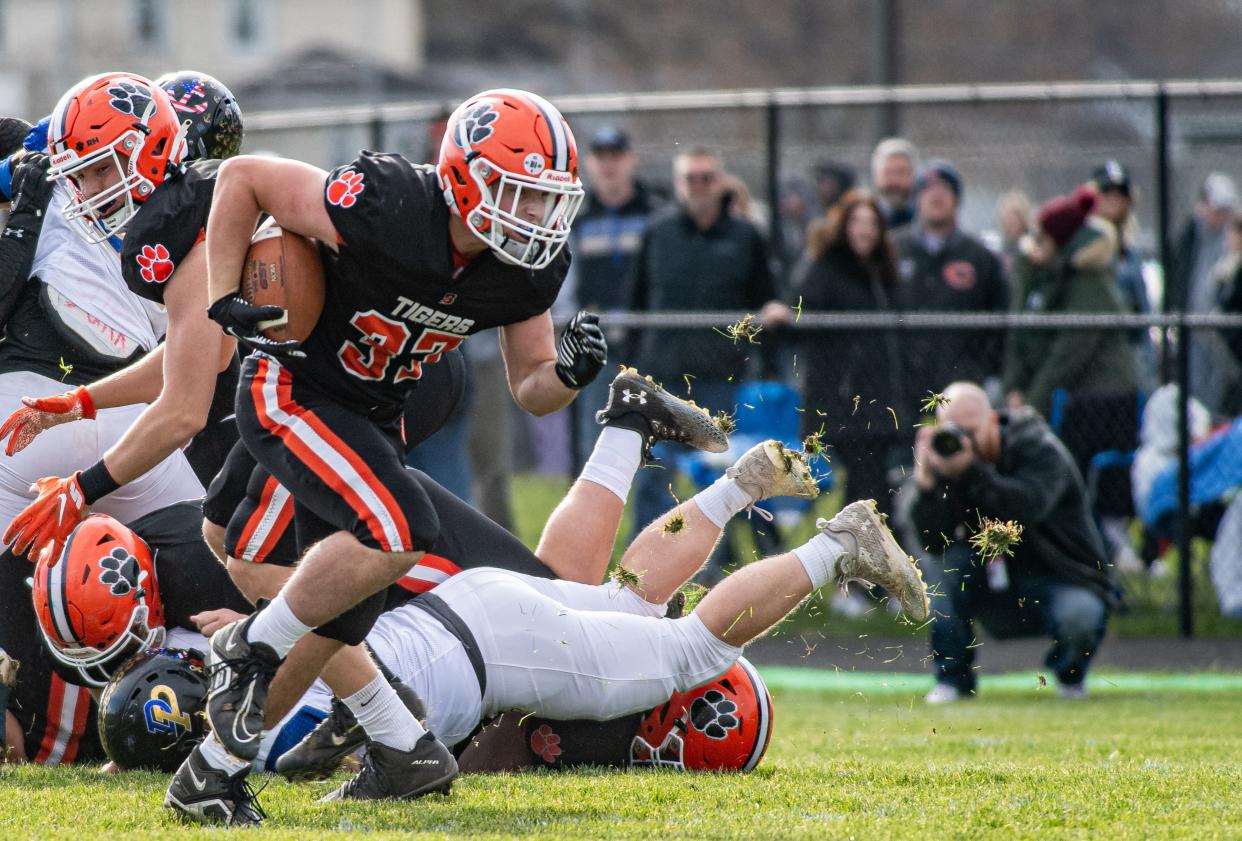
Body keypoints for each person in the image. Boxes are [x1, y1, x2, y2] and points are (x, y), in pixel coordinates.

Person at [168, 410, 926, 823]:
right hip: (478, 627)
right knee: (651, 620)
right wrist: (263, 617)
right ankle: (768, 510)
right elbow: (331, 642)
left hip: (484, 638)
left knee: (672, 637)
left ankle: (824, 537)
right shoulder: (266, 699)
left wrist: (357, 717)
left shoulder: (266, 723)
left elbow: (347, 659)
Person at [190, 88, 615, 804]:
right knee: (399, 528)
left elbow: (531, 386)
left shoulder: (527, 268)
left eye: (547, 199)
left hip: (371, 411)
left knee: (346, 614)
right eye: (519, 193)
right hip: (294, 385)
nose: (535, 217)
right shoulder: (389, 201)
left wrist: (568, 374)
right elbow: (245, 178)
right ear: (465, 176)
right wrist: (222, 295)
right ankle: (253, 644)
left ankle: (213, 773)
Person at [896, 381, 1116, 703]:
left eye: (970, 431)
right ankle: (952, 681)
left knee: (1081, 615)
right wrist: (927, 487)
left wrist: (971, 472)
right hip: (989, 583)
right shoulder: (944, 460)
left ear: (992, 421)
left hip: (1055, 576)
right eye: (954, 432)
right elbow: (930, 542)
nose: (963, 442)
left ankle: (1070, 676)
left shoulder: (1039, 449)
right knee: (939, 569)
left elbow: (1023, 509)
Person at [628, 146, 788, 555]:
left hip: (721, 376)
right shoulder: (657, 232)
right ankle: (643, 561)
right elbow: (637, 301)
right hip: (660, 378)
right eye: (690, 178)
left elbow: (767, 300)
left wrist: (767, 331)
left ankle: (711, 562)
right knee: (651, 472)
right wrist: (629, 365)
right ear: (679, 184)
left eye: (706, 178)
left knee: (718, 476)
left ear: (720, 182)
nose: (698, 186)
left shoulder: (745, 235)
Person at [789, 189, 906, 514]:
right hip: (841, 401)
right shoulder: (825, 268)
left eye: (872, 222)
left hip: (879, 401)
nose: (865, 230)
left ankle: (857, 555)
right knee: (865, 489)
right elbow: (799, 313)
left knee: (872, 490)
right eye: (857, 221)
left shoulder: (883, 273)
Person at [568, 125, 663, 465]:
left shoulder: (655, 214)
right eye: (601, 157)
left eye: (616, 156)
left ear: (631, 160)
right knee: (594, 445)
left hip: (647, 348)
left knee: (656, 447)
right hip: (597, 351)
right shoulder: (577, 219)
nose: (609, 165)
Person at [894, 159, 1008, 405]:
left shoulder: (980, 257)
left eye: (944, 189)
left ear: (956, 199)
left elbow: (1000, 317)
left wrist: (981, 369)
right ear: (917, 198)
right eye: (928, 189)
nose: (937, 196)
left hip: (961, 382)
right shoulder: (893, 249)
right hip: (901, 382)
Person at [1171, 172, 1240, 414]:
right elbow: (1177, 284)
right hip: (1193, 333)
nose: (1220, 216)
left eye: (1225, 210)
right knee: (1194, 392)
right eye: (1216, 208)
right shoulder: (1189, 236)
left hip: (1222, 335)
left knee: (1221, 391)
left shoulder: (1232, 241)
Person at [1088, 161, 1158, 394]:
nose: (1114, 200)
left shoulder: (1130, 253)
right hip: (1092, 364)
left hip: (1129, 360)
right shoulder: (1083, 247)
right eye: (1107, 192)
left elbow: (1143, 315)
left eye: (1121, 193)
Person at [870, 137, 918, 229]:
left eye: (901, 172)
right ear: (875, 176)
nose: (895, 181)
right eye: (888, 172)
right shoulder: (862, 220)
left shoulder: (927, 219)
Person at [995, 189, 1032, 279]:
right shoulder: (996, 247)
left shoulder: (1031, 247)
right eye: (1008, 215)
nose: (1011, 220)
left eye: (1016, 215)